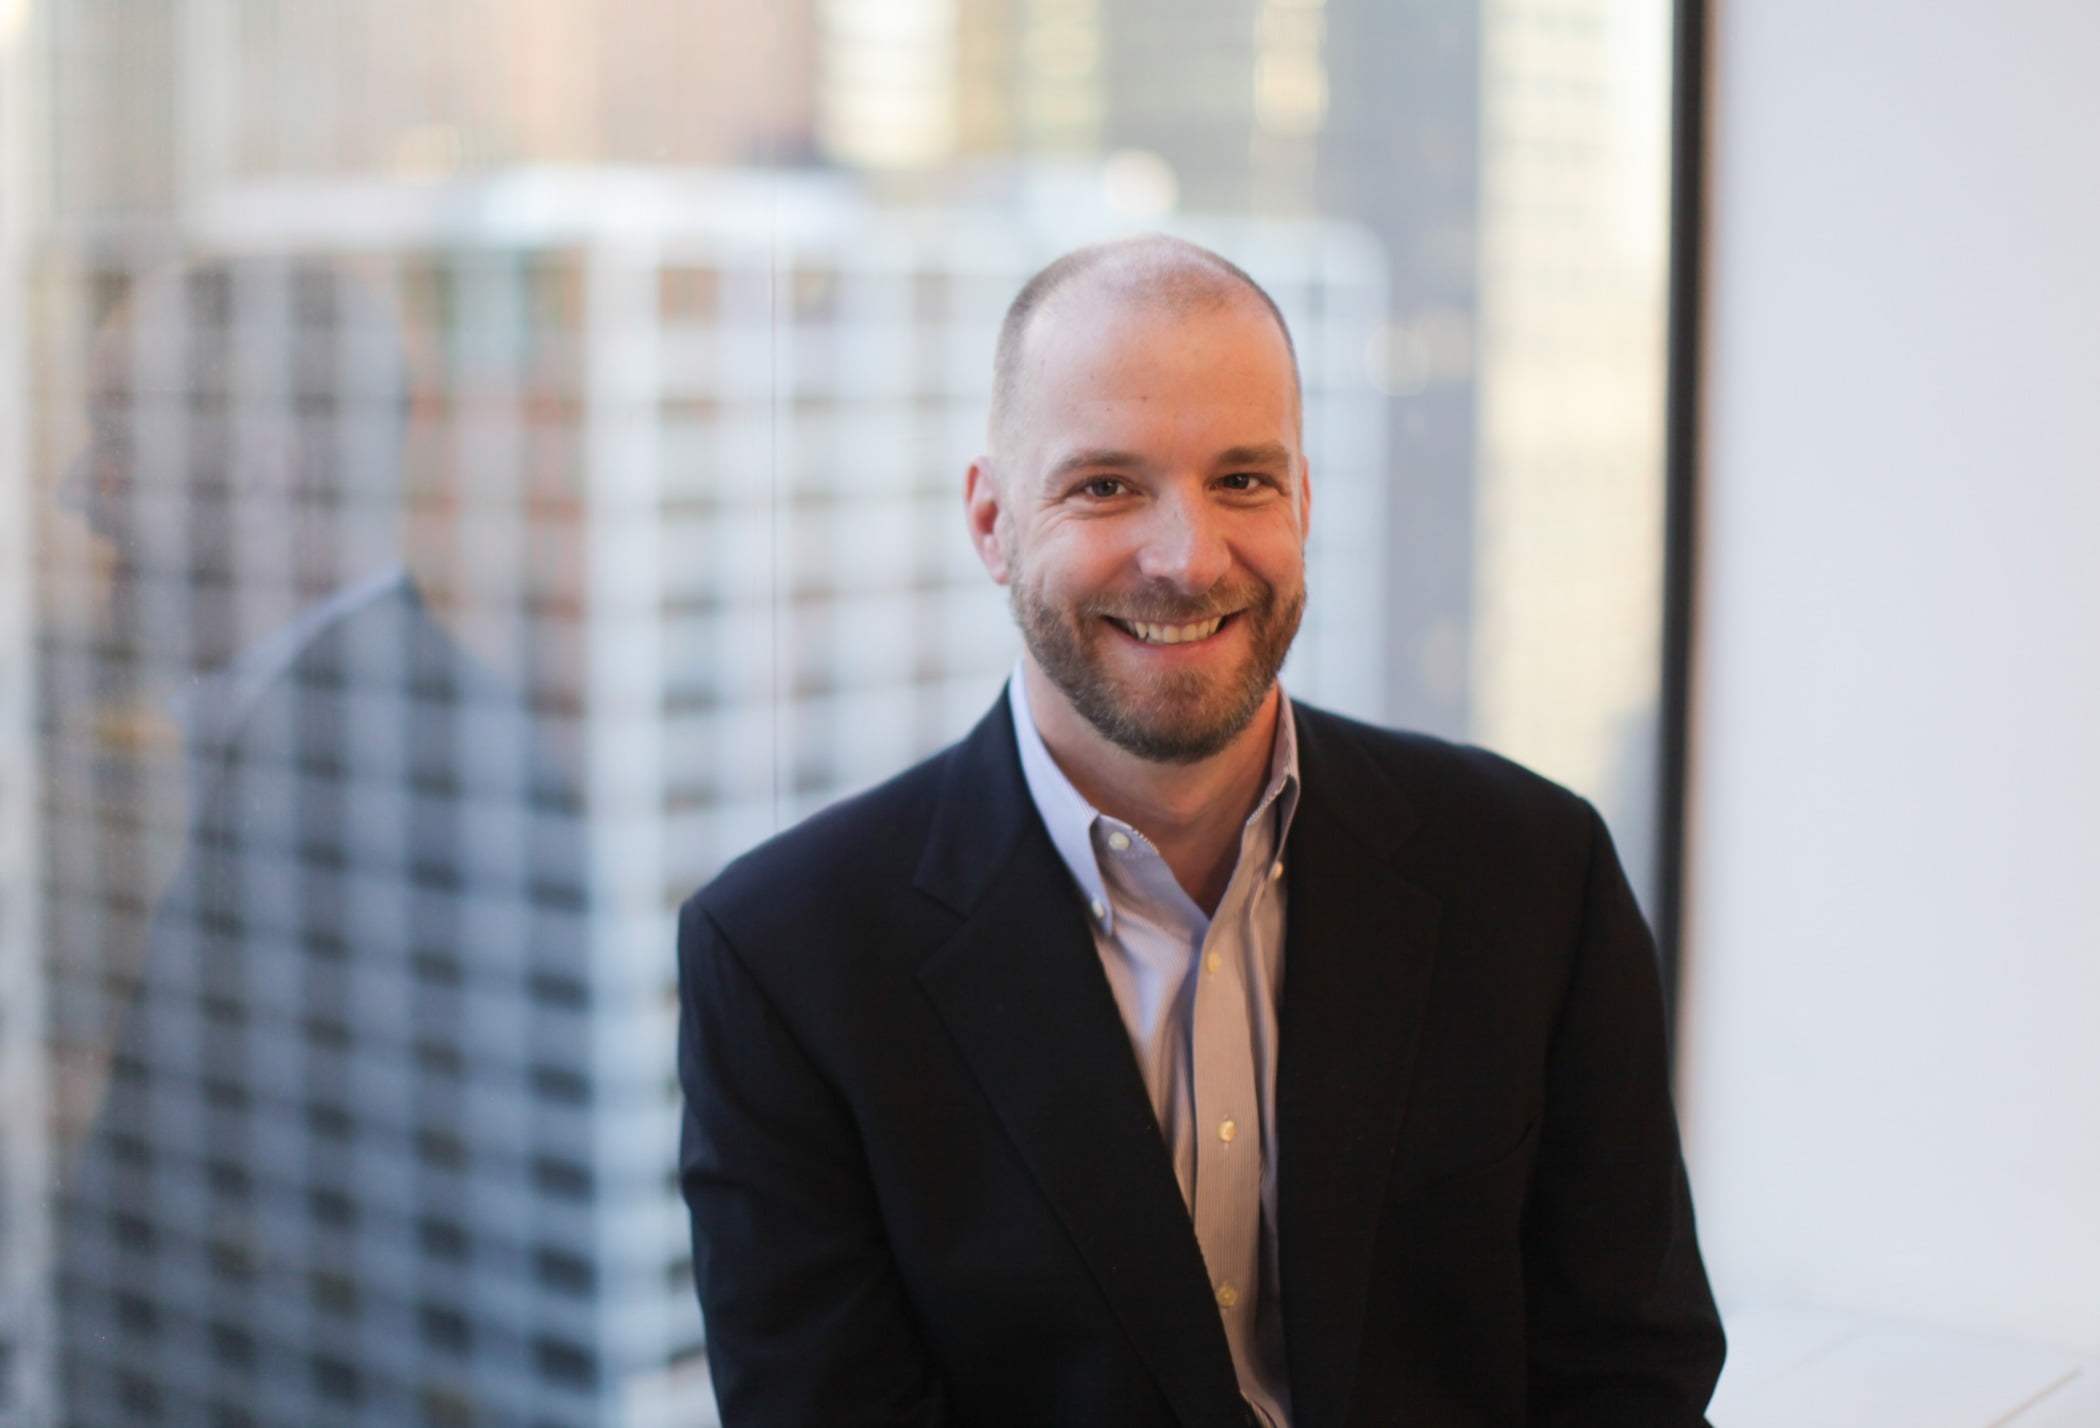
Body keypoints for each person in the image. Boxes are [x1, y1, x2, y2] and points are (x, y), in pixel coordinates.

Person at [676, 234, 1725, 1428]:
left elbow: (1633, 1381)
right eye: (1106, 486)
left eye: (1243, 480)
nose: (1188, 559)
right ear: (991, 521)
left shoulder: (1537, 874)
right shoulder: (785, 959)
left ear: (1305, 501)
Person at [53, 258, 591, 1427]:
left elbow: (383, 1317)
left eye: (119, 443)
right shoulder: (338, 742)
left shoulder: (404, 785)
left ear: (259, 474)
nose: (75, 491)